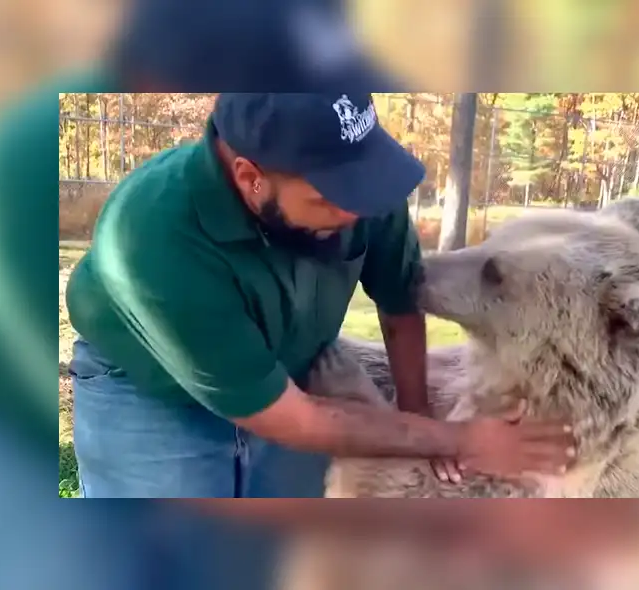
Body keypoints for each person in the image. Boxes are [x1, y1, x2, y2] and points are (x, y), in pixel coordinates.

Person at [65, 93, 576, 498]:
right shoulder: (154, 236)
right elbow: (289, 418)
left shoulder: (358, 188)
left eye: (364, 188)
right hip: (149, 387)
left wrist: (418, 418)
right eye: (333, 198)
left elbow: (400, 305)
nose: (360, 212)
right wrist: (464, 439)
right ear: (251, 178)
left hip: (287, 369)